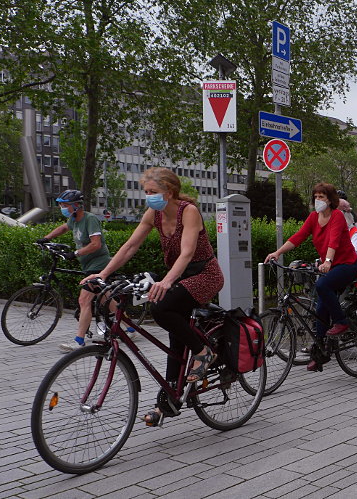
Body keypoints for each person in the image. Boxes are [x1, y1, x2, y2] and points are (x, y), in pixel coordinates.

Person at [81, 167, 224, 427]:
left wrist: (167, 281)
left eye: (153, 192)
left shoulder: (188, 212)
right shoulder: (154, 214)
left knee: (161, 309)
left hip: (205, 274)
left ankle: (203, 351)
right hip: (179, 276)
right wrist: (101, 274)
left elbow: (188, 253)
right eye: (146, 192)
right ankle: (169, 399)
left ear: (169, 192)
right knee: (174, 334)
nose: (149, 197)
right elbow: (130, 246)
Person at [266, 183, 357, 371]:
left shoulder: (337, 216)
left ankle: (342, 322)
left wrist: (327, 262)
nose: (318, 200)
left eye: (322, 197)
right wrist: (277, 252)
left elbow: (333, 240)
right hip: (330, 266)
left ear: (330, 199)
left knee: (322, 286)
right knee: (320, 311)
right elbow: (298, 236)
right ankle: (321, 354)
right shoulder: (313, 217)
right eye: (316, 196)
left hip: (347, 265)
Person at [37, 190, 119, 353]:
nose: (62, 208)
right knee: (105, 299)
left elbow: (95, 244)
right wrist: (46, 238)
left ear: (76, 205)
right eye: (61, 205)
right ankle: (129, 329)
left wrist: (75, 254)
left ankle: (79, 341)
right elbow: (63, 228)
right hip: (88, 265)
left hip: (99, 265)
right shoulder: (74, 219)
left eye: (65, 205)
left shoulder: (90, 219)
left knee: (84, 300)